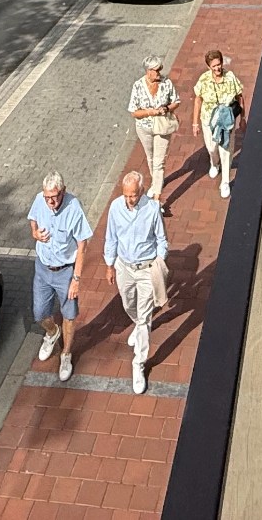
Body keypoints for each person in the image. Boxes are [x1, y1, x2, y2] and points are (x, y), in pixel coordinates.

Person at [103, 169, 170, 394]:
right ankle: (139, 322)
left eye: (134, 195)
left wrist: (160, 262)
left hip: (146, 269)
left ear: (141, 191)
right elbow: (110, 237)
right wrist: (109, 265)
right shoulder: (115, 208)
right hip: (124, 267)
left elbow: (161, 239)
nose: (130, 200)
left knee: (144, 317)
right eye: (127, 195)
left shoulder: (151, 209)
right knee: (128, 305)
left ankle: (138, 363)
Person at [27, 171, 92, 382]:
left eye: (54, 197)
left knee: (69, 315)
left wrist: (76, 279)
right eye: (48, 197)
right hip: (43, 268)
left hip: (65, 271)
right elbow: (33, 220)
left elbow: (82, 246)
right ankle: (52, 332)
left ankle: (66, 354)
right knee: (39, 314)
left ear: (63, 191)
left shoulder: (74, 208)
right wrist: (35, 234)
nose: (51, 201)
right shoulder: (40, 199)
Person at [128, 56, 181, 202]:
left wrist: (166, 108)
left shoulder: (166, 83)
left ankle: (157, 197)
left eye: (160, 69)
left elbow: (176, 101)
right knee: (150, 158)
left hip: (162, 127)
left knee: (159, 161)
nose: (159, 73)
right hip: (144, 128)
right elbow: (133, 112)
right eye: (156, 70)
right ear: (148, 71)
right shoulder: (138, 86)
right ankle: (156, 181)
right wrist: (150, 112)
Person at [193, 49, 244, 198]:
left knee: (226, 150)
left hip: (227, 122)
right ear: (209, 67)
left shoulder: (230, 77)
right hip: (208, 120)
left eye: (219, 64)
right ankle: (214, 163)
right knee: (211, 147)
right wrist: (195, 123)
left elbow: (240, 96)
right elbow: (198, 99)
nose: (217, 68)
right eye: (214, 66)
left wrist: (243, 118)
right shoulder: (203, 79)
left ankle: (225, 182)